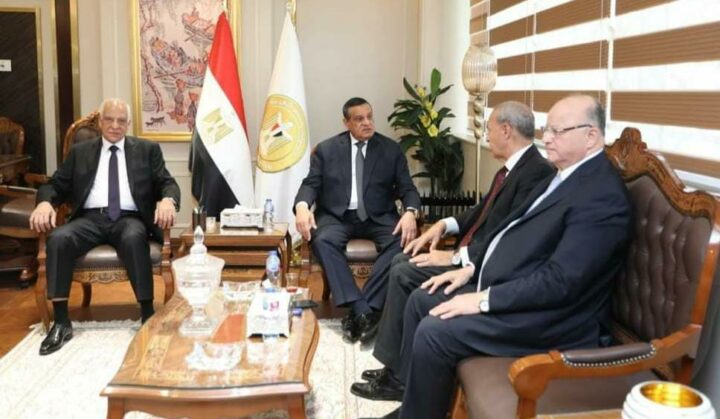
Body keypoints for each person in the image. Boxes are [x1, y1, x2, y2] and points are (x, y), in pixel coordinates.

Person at [363, 94, 633, 419]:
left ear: (590, 136)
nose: (546, 138)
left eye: (557, 131)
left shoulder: (601, 196)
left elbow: (562, 281)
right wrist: (471, 269)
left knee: (435, 331)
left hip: (553, 320)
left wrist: (483, 299)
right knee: (423, 299)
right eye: (547, 129)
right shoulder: (565, 175)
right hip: (516, 290)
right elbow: (516, 234)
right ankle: (416, 406)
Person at [351, 101, 554, 398]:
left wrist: (456, 256)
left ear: (506, 130)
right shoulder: (512, 169)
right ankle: (395, 366)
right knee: (401, 262)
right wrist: (443, 225)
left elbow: (509, 236)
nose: (486, 135)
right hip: (472, 254)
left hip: (482, 265)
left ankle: (399, 379)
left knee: (404, 270)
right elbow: (481, 212)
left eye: (489, 129)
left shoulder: (536, 173)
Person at [30, 98, 180, 356]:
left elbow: (168, 183)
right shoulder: (81, 152)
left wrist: (168, 200)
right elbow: (54, 184)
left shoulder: (147, 150)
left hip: (128, 218)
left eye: (121, 121)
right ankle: (62, 322)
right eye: (109, 119)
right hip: (90, 219)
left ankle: (147, 314)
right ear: (100, 122)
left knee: (134, 237)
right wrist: (45, 202)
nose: (115, 125)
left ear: (128, 124)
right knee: (59, 238)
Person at [294, 97, 421, 343]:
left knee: (402, 240)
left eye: (370, 117)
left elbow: (408, 188)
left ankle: (362, 309)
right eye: (359, 119)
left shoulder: (390, 150)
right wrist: (301, 206)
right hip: (337, 216)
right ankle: (364, 310)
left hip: (379, 216)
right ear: (346, 123)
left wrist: (410, 212)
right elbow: (311, 184)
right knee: (323, 239)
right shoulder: (327, 150)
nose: (367, 123)